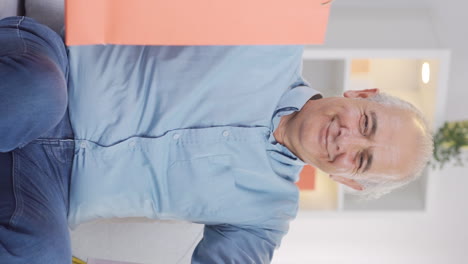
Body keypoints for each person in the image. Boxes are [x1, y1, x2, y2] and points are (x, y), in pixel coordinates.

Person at [0, 16, 433, 264]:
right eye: (367, 125)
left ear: (347, 182)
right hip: (53, 72)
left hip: (46, 187)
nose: (346, 139)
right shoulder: (275, 35)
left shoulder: (267, 216)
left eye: (360, 160)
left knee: (42, 255)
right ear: (361, 94)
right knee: (38, 93)